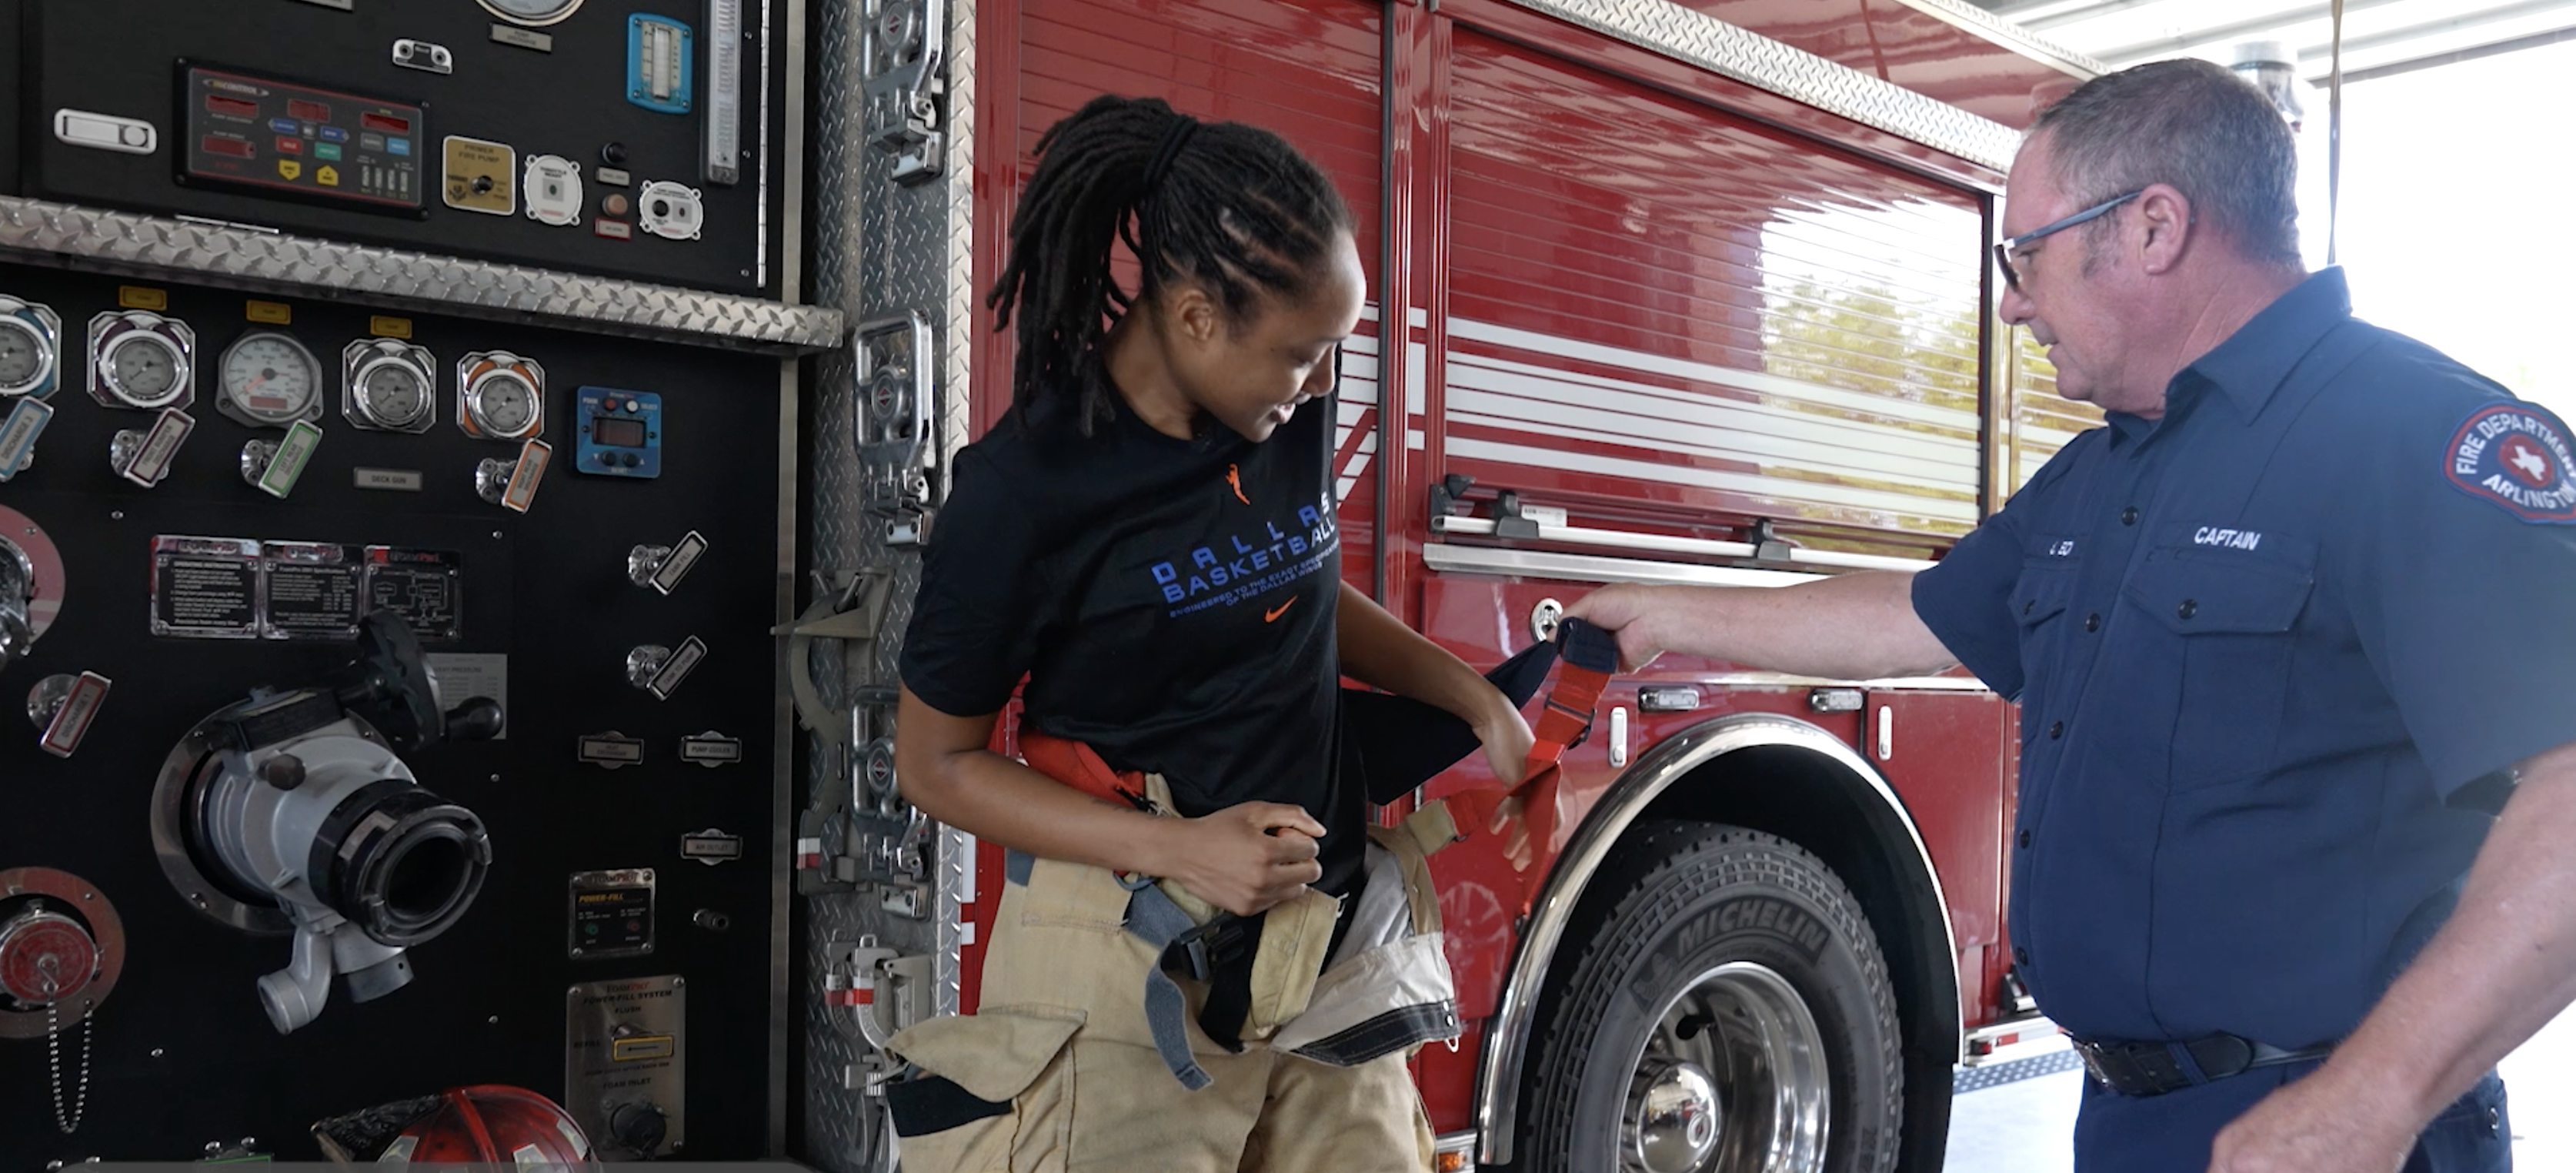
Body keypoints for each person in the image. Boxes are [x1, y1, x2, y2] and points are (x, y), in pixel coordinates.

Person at [1570, 59, 2576, 1173]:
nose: (2010, 299)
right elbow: (1916, 617)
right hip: (2131, 1119)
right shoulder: (2102, 474)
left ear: (2153, 227)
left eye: (2026, 253)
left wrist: (2377, 1096)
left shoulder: (2418, 440)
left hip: (2326, 1127)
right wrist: (1668, 610)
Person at [886, 95, 1534, 1172]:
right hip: (1128, 951)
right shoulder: (1023, 494)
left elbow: (1295, 584)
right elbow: (936, 765)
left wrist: (1479, 703)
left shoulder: (1272, 406)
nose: (1326, 381)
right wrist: (1183, 850)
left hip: (1320, 944)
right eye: (1302, 354)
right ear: (1194, 316)